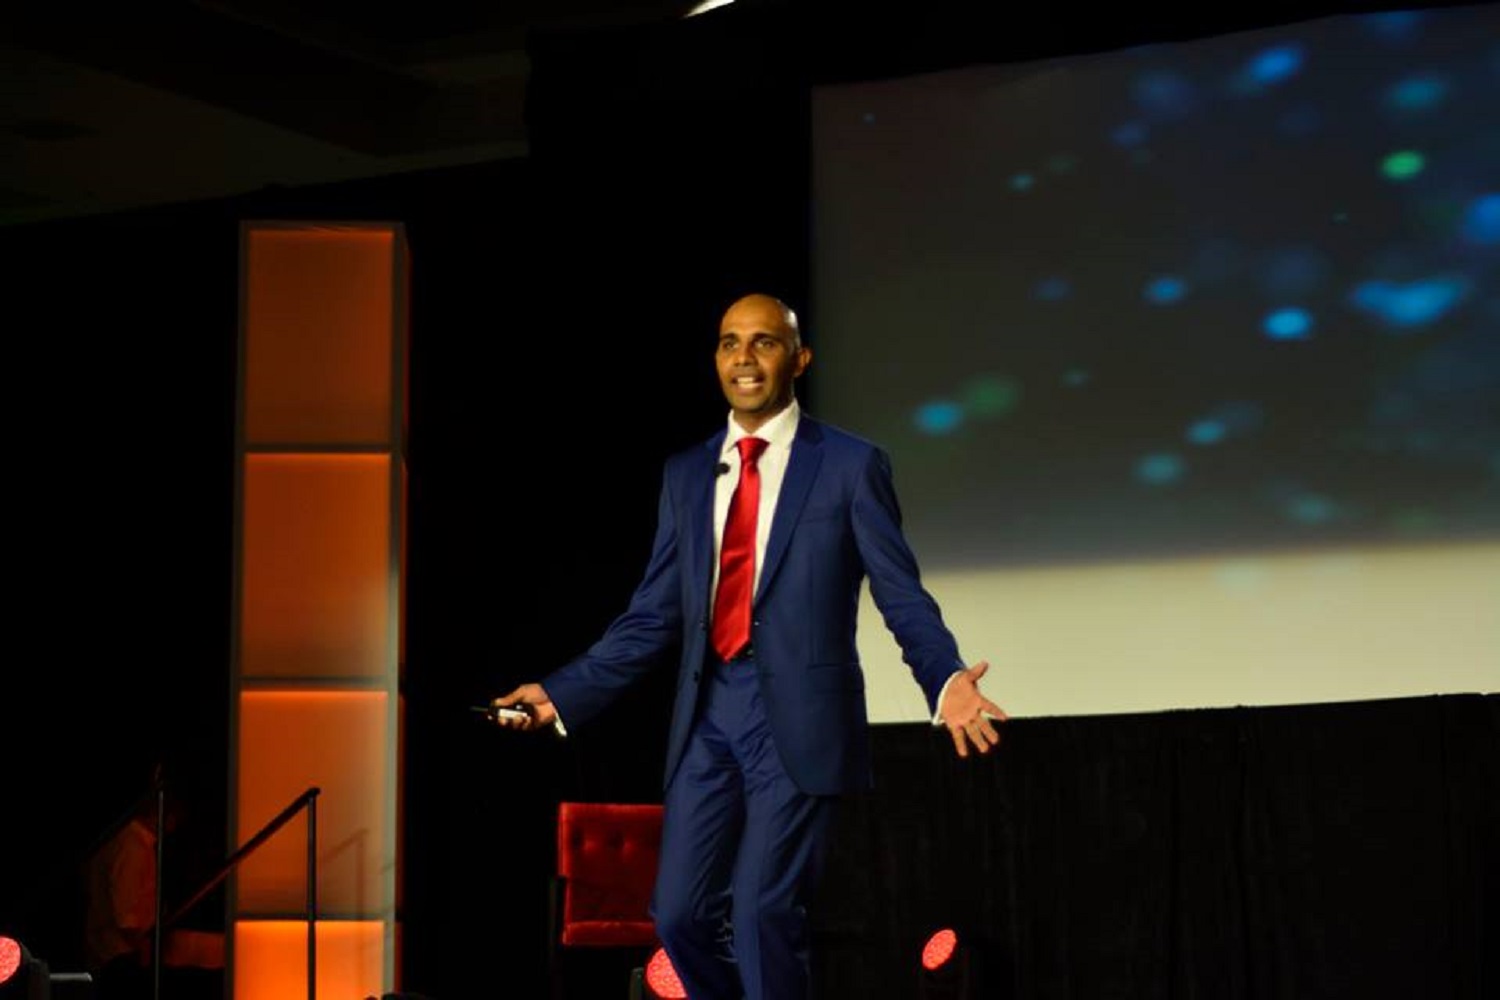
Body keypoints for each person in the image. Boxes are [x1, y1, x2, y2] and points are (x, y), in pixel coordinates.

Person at [492, 292, 1006, 999]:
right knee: (678, 916)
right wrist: (562, 692)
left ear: (799, 358)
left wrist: (945, 678)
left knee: (764, 911)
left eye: (764, 342)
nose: (744, 357)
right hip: (708, 716)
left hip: (798, 717)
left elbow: (899, 592)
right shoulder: (686, 474)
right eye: (730, 342)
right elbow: (652, 616)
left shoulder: (850, 465)